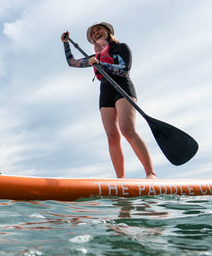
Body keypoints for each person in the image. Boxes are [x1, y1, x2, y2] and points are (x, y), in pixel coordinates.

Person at [61, 22, 157, 179]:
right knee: (112, 136)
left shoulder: (120, 48)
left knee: (127, 130)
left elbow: (124, 69)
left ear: (107, 31)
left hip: (122, 87)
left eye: (98, 29)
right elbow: (72, 62)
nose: (95, 33)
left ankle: (151, 173)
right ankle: (121, 179)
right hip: (105, 91)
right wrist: (66, 44)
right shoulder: (93, 57)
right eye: (93, 33)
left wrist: (101, 64)